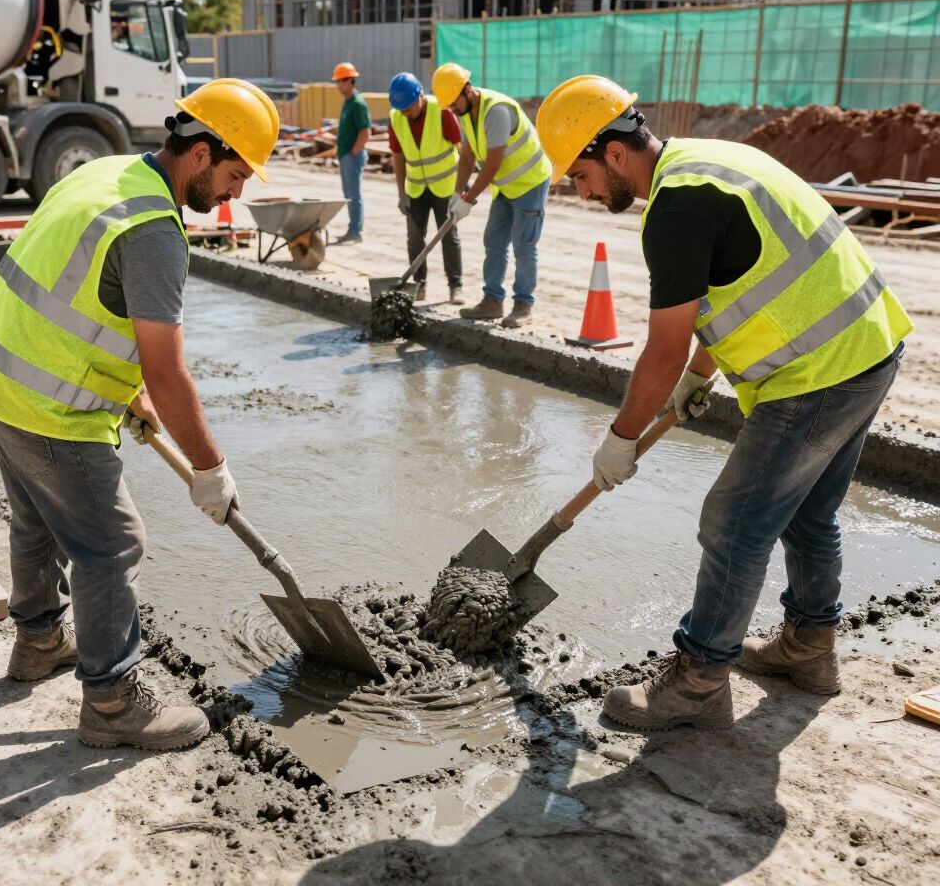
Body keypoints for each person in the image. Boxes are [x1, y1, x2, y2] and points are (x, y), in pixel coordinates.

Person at [536, 74, 912, 731]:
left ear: (614, 154)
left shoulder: (676, 208)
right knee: (806, 509)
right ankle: (809, 648)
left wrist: (623, 437)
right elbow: (738, 279)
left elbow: (662, 349)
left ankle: (699, 680)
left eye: (580, 176)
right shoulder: (711, 160)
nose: (585, 193)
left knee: (733, 520)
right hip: (868, 345)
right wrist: (701, 378)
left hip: (819, 371)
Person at [0, 78, 280, 750]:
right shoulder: (155, 231)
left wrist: (123, 391)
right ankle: (113, 701)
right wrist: (210, 467)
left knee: (36, 519)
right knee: (113, 544)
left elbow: (78, 291)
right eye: (236, 174)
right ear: (202, 153)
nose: (235, 195)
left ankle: (39, 641)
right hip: (50, 408)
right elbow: (167, 368)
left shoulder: (110, 171)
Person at [431, 63, 553, 329]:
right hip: (507, 186)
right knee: (494, 241)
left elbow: (492, 163)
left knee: (524, 245)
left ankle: (523, 305)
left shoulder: (496, 112)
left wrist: (469, 199)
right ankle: (492, 302)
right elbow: (467, 155)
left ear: (467, 91)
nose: (451, 109)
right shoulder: (465, 112)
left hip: (530, 182)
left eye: (453, 103)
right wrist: (457, 192)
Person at [387, 71, 464, 305]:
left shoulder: (442, 113)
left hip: (444, 188)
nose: (406, 113)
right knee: (414, 239)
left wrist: (460, 190)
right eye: (402, 109)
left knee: (448, 237)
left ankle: (455, 285)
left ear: (420, 96)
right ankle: (419, 285)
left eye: (409, 107)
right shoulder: (396, 118)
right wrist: (401, 193)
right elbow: (398, 156)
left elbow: (462, 150)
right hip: (416, 190)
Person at [333, 61, 371, 243]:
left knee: (354, 195)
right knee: (349, 194)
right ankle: (353, 229)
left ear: (350, 81)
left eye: (340, 81)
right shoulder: (348, 102)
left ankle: (356, 231)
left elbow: (365, 131)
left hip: (352, 156)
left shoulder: (357, 104)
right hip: (346, 155)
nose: (338, 86)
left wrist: (353, 153)